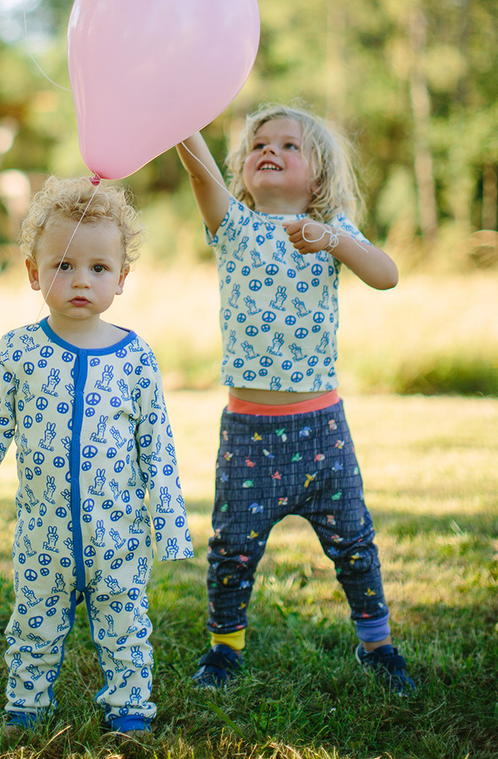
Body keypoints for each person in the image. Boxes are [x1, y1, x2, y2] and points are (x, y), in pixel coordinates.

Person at [176, 104, 416, 695]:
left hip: (321, 430)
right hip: (248, 431)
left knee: (354, 544)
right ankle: (224, 649)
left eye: (289, 146)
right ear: (243, 166)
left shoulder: (328, 230)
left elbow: (385, 275)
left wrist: (332, 239)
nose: (270, 151)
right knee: (231, 548)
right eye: (259, 144)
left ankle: (378, 645)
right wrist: (179, 115)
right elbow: (199, 169)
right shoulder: (233, 225)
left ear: (317, 176)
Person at [0, 175, 193, 736]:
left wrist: (171, 524)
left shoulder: (135, 357)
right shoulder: (19, 351)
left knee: (126, 623)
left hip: (118, 534)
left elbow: (157, 445)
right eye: (63, 266)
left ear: (122, 278)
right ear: (35, 272)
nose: (81, 280)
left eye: (99, 268)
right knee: (34, 623)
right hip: (43, 532)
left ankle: (129, 710)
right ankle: (27, 708)